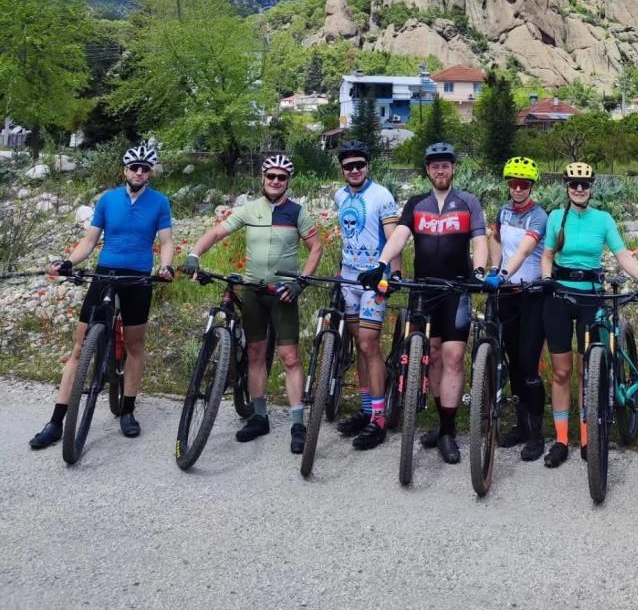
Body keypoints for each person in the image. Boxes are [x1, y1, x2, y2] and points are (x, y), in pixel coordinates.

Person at [30, 144, 175, 448]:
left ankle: (128, 410)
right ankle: (56, 422)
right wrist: (68, 262)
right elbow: (90, 240)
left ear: (150, 173)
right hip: (105, 273)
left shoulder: (160, 202)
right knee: (79, 348)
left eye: (144, 168)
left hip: (138, 277)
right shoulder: (108, 199)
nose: (138, 172)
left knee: (135, 345)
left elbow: (166, 241)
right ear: (125, 170)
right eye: (134, 167)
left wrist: (165, 266)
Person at [183, 154, 323, 455]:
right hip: (252, 291)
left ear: (288, 181)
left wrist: (301, 281)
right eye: (271, 176)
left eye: (281, 177)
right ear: (262, 178)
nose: (275, 181)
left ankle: (298, 423)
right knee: (255, 354)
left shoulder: (297, 212)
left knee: (290, 357)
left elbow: (316, 248)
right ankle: (259, 416)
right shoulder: (249, 209)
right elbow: (217, 233)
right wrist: (194, 254)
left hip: (283, 292)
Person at [361, 142, 488, 465]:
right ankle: (440, 423)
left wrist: (479, 270)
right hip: (423, 289)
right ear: (428, 171)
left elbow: (479, 240)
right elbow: (399, 236)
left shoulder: (468, 202)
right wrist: (381, 264)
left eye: (445, 165)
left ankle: (447, 430)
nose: (440, 171)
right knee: (433, 357)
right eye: (434, 166)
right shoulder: (417, 203)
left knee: (453, 356)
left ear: (453, 169)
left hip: (456, 289)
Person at [540, 162, 638, 469]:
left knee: (588, 371)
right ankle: (560, 440)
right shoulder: (556, 217)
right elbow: (547, 255)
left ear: (591, 188)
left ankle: (586, 438)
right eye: (574, 184)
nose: (579, 189)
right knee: (561, 372)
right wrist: (546, 279)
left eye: (584, 184)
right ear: (567, 187)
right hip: (559, 296)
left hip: (591, 297)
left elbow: (622, 255)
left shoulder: (603, 219)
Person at [331, 140, 402, 451]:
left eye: (360, 164)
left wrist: (395, 272)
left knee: (369, 344)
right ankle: (366, 408)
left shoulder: (382, 195)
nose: (355, 170)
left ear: (367, 165)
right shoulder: (340, 196)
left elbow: (393, 237)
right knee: (360, 345)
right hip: (349, 278)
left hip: (375, 279)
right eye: (349, 166)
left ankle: (379, 418)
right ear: (342, 169)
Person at [486, 156, 549, 462]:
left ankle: (537, 433)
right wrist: (493, 267)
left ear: (532, 186)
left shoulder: (539, 216)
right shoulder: (504, 212)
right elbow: (496, 239)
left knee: (528, 363)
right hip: (507, 294)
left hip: (532, 295)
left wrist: (501, 274)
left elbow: (524, 251)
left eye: (524, 184)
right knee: (512, 362)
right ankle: (522, 425)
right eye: (514, 183)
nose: (518, 189)